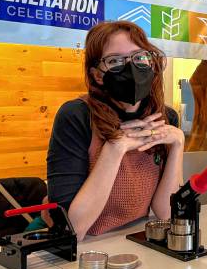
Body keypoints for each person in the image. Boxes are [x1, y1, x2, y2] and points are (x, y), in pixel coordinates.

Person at [46, 21, 184, 240]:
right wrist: (115, 148)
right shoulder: (77, 116)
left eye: (139, 57)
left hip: (135, 237)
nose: (131, 68)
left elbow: (166, 213)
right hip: (83, 245)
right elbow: (73, 229)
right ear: (97, 75)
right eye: (115, 61)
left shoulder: (165, 118)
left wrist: (177, 146)